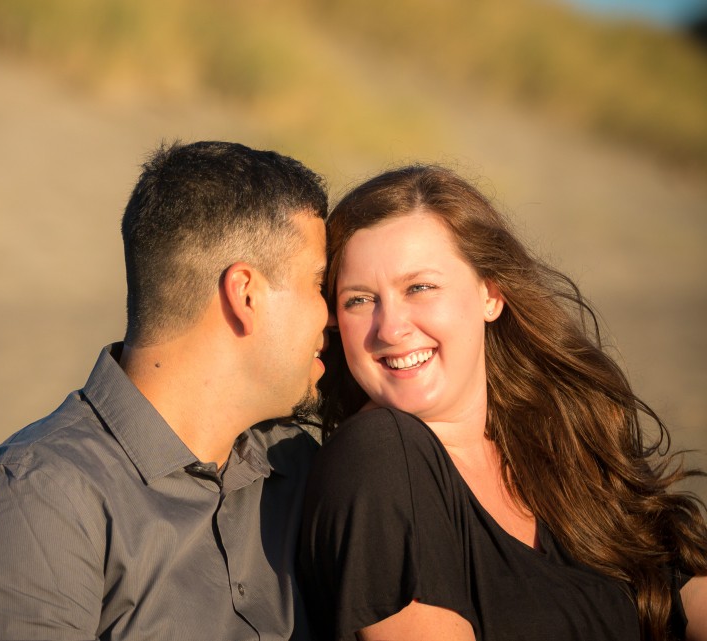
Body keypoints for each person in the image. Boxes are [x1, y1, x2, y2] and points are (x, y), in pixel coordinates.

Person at [0, 140, 330, 641]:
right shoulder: (39, 502)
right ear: (245, 294)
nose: (331, 313)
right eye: (318, 283)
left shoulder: (297, 465)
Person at [298, 164, 707, 641]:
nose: (390, 328)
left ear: (490, 293)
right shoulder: (377, 457)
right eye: (359, 300)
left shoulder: (557, 433)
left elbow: (674, 587)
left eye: (419, 288)